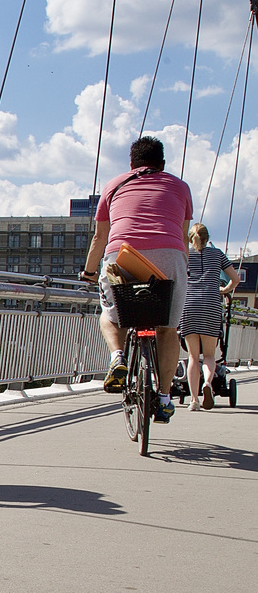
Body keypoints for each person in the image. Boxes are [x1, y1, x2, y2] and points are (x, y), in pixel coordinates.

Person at [81, 136, 193, 423]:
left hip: (122, 253)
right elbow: (182, 236)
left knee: (110, 315)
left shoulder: (114, 184)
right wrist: (182, 270)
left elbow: (100, 237)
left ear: (131, 164)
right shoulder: (180, 187)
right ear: (163, 164)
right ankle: (165, 398)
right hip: (169, 255)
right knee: (168, 328)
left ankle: (117, 357)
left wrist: (90, 272)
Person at [180, 223, 239, 409]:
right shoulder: (218, 254)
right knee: (209, 356)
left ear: (191, 238)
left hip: (189, 305)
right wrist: (224, 290)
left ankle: (194, 400)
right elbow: (235, 279)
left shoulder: (185, 254)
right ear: (207, 238)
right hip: (211, 306)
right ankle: (207, 383)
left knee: (192, 356)